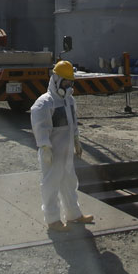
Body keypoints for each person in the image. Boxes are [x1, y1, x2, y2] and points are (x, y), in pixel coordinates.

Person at [30, 60, 94, 232]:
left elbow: (73, 123)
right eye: (65, 83)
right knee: (50, 186)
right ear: (56, 80)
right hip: (52, 153)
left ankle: (74, 214)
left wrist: (76, 140)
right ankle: (53, 220)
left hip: (66, 153)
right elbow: (40, 127)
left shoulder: (69, 100)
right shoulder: (45, 103)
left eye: (70, 83)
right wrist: (45, 147)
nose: (68, 86)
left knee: (69, 183)